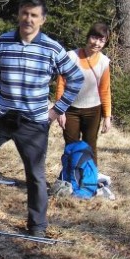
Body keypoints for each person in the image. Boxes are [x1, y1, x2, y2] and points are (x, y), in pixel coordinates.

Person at [0, 0, 84, 238]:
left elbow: (76, 78)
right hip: (0, 118)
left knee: (35, 176)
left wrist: (57, 109)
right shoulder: (3, 42)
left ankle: (37, 226)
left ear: (42, 20)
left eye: (34, 15)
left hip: (33, 123)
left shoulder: (52, 48)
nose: (29, 19)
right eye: (25, 13)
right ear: (18, 15)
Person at [55, 22, 112, 165]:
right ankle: (69, 179)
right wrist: (60, 110)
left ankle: (89, 181)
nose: (97, 43)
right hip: (70, 110)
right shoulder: (71, 57)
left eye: (102, 40)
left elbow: (105, 90)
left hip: (93, 111)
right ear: (88, 37)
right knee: (71, 146)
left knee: (90, 146)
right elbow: (61, 83)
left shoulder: (104, 62)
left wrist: (107, 116)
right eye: (94, 38)